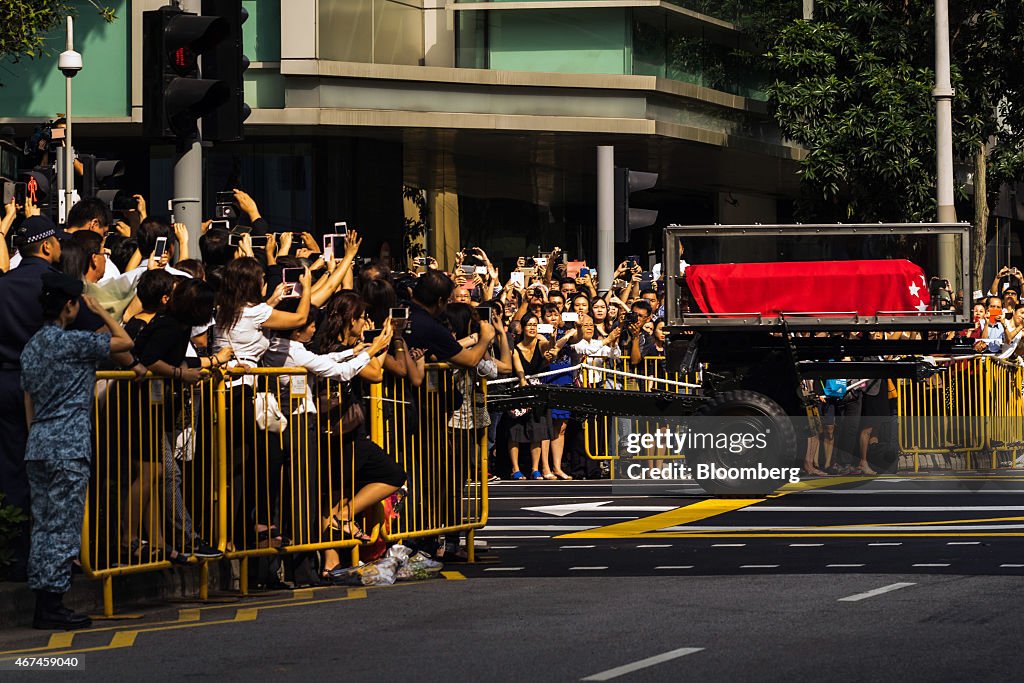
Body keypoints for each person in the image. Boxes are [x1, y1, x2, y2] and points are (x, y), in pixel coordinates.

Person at [21, 272, 134, 629]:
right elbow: (124, 341)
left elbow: (28, 399)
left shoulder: (33, 346)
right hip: (68, 445)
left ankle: (44, 602)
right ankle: (53, 604)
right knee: (64, 527)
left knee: (43, 526)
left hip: (39, 442)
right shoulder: (72, 343)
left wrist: (35, 433)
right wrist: (102, 312)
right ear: (70, 306)